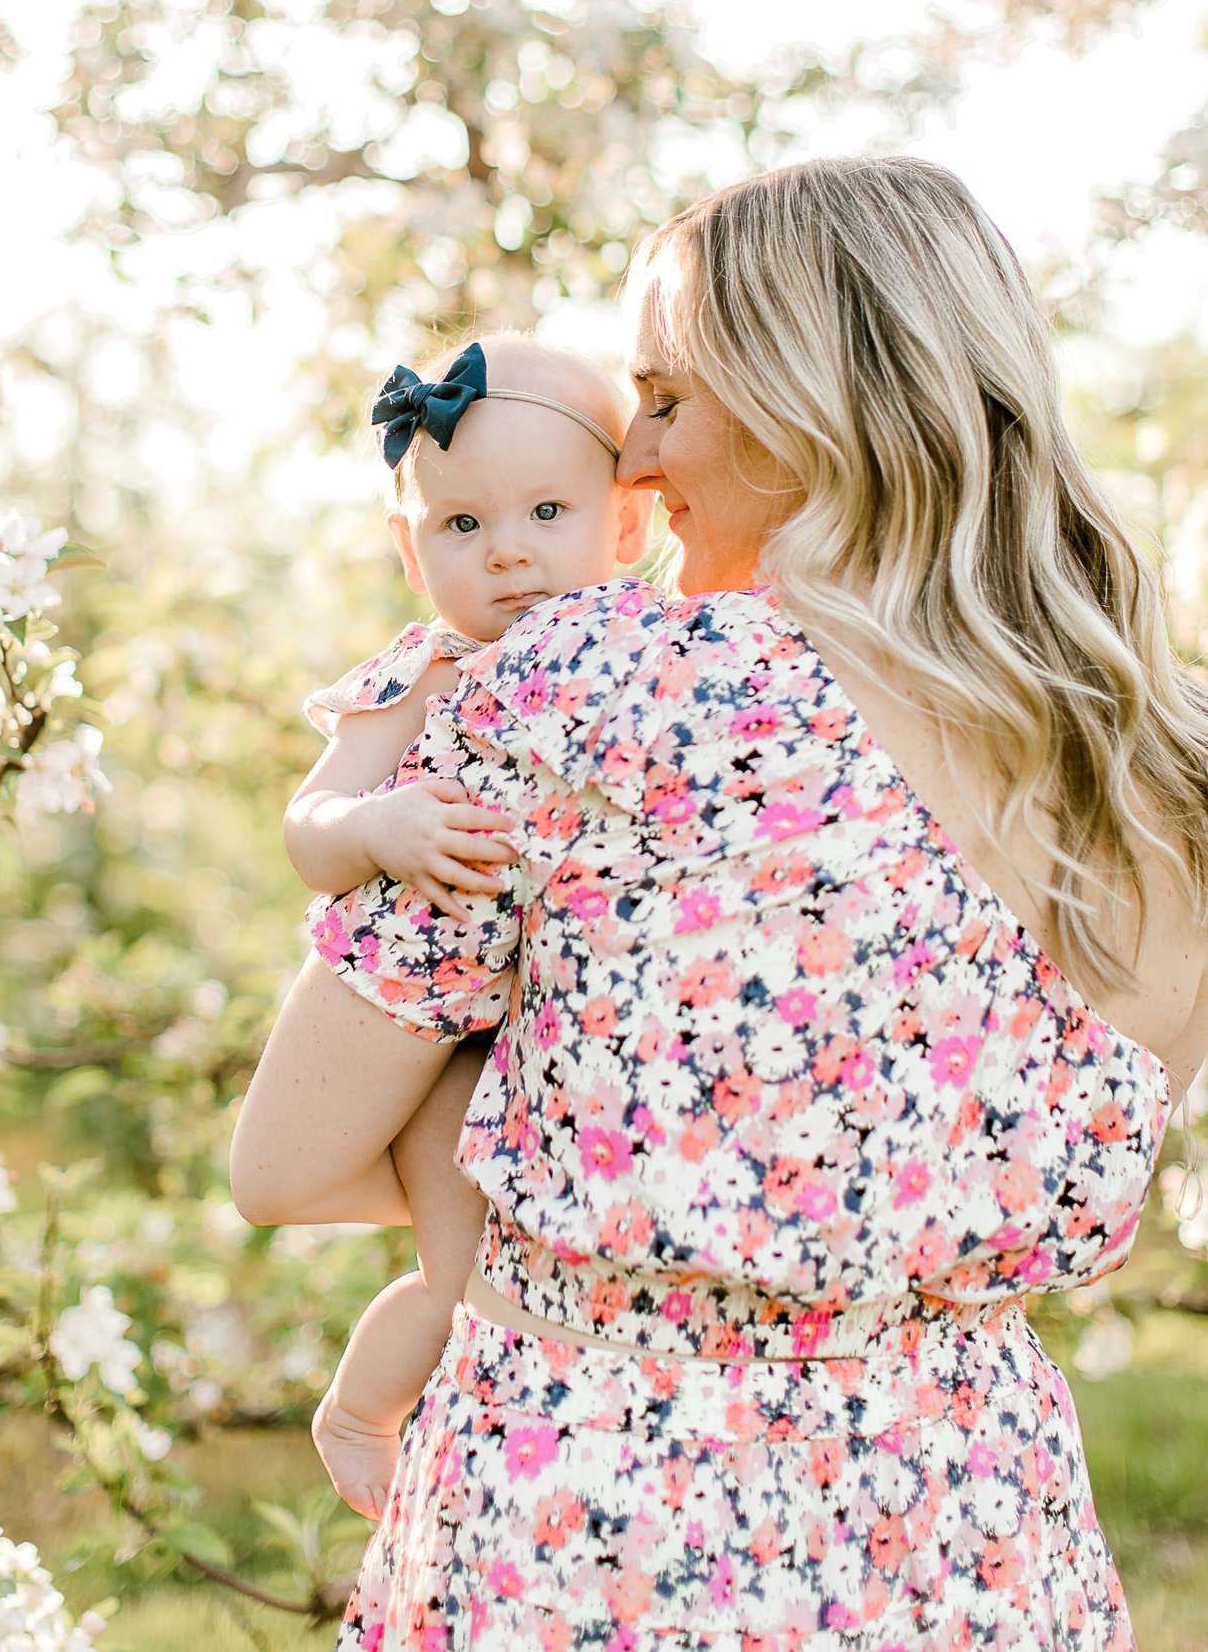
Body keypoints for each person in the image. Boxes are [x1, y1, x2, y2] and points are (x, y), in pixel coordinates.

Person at [233, 156, 1208, 1648]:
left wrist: (572, 1153)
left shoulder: (593, 682)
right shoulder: (1167, 772)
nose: (634, 469)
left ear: (811, 407)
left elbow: (286, 1160)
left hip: (599, 1519)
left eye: (667, 402)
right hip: (981, 1539)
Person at [281, 336, 653, 1518]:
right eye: (460, 526)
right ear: (411, 549)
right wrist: (377, 825)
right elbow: (308, 824)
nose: (507, 552)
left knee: (542, 1265)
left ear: (626, 526)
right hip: (436, 1036)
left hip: (560, 1020)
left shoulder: (659, 652)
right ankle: (357, 1411)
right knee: (464, 1275)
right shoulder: (426, 672)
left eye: (548, 511)